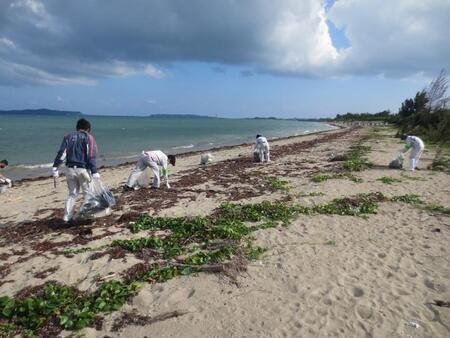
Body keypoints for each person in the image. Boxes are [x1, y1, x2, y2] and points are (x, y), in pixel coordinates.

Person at [52, 118, 99, 222]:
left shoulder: (68, 137)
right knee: (88, 193)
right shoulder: (89, 138)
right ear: (88, 128)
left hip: (69, 170)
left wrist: (55, 168)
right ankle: (87, 216)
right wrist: (94, 171)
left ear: (77, 128)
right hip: (83, 170)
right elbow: (91, 155)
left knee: (72, 194)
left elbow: (62, 153)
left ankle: (66, 217)